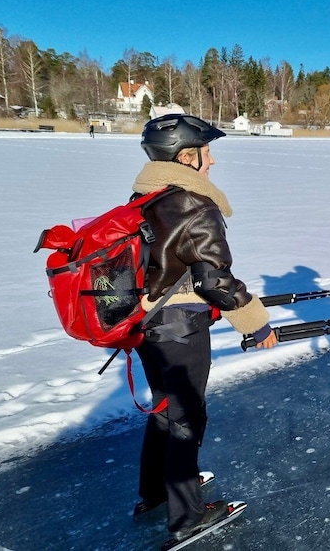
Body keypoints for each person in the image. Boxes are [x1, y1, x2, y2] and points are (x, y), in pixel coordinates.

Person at [132, 114, 277, 543]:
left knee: (164, 407)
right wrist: (255, 322)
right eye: (206, 152)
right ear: (186, 156)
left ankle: (155, 491)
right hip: (180, 327)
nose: (211, 162)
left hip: (147, 323)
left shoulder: (146, 194)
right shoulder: (193, 202)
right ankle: (188, 515)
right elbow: (214, 281)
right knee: (186, 416)